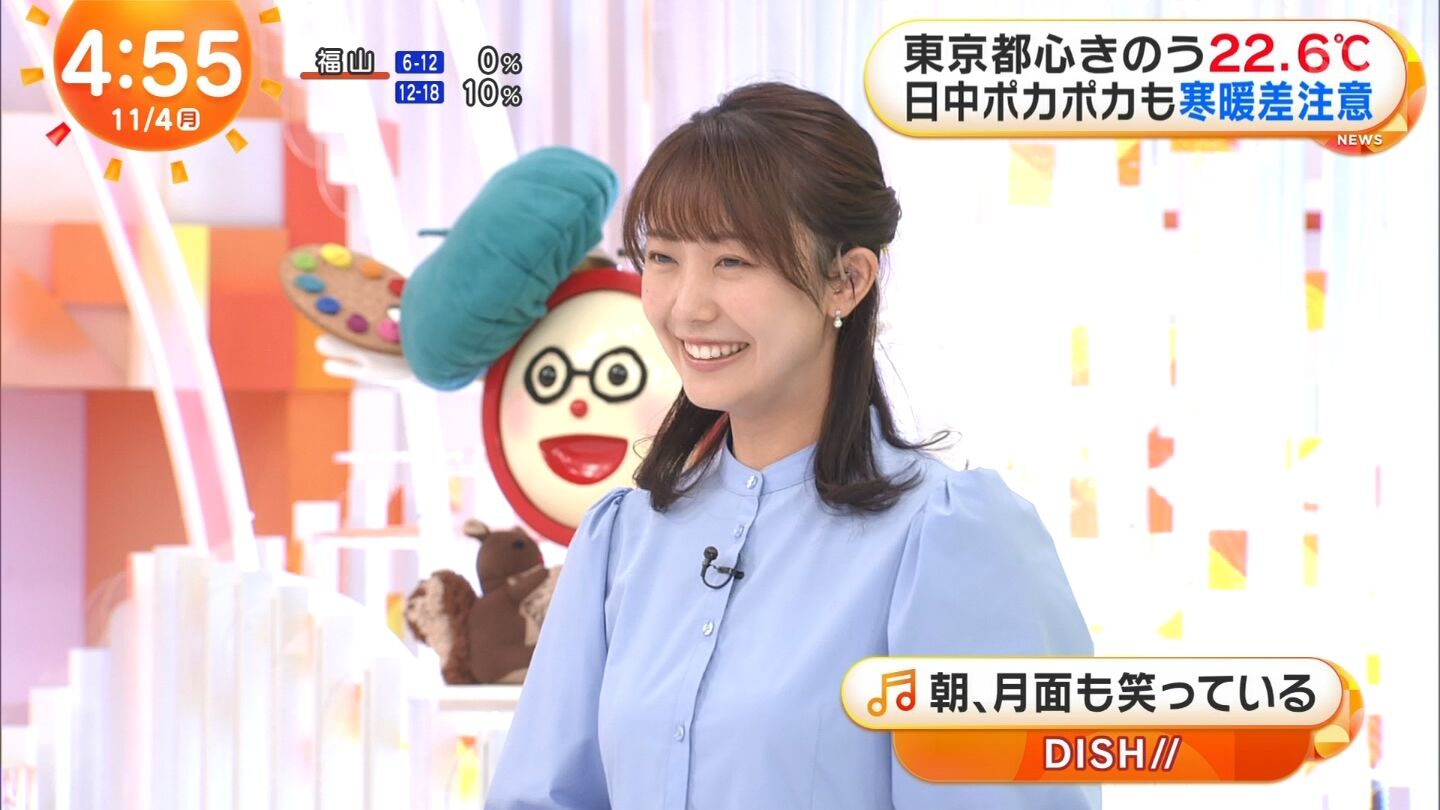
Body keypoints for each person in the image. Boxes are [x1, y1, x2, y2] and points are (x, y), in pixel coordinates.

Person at [483, 82, 1098, 809]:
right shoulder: (621, 540)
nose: (687, 306)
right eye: (664, 257)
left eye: (733, 261)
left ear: (847, 280)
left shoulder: (954, 539)